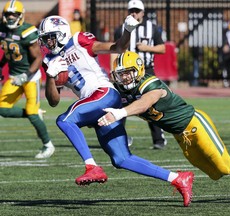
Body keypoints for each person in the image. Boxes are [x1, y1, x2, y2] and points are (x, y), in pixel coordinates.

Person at [38, 15, 194, 207]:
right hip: (93, 105)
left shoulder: (78, 41)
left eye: (51, 37)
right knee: (121, 159)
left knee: (65, 120)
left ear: (62, 34)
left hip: (104, 94)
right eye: (45, 39)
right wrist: (51, 77)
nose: (48, 42)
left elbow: (118, 48)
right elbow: (53, 101)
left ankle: (92, 166)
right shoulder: (50, 60)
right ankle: (178, 178)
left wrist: (127, 31)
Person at [98, 51, 230, 205]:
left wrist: (119, 113)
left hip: (194, 123)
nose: (123, 78)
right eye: (120, 74)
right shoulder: (123, 91)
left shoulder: (150, 84)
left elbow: (144, 104)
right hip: (181, 135)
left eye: (127, 73)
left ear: (138, 70)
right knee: (216, 172)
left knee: (225, 165)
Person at [0, 0, 54, 159]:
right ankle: (34, 113)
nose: (10, 17)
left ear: (20, 15)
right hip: (13, 76)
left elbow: (38, 59)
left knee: (30, 110)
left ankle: (48, 145)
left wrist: (25, 75)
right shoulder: (2, 30)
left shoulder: (27, 32)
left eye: (14, 14)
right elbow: (9, 52)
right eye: (8, 14)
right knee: (2, 108)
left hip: (30, 77)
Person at [111, 0, 167, 149]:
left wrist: (146, 47)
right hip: (125, 73)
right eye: (131, 10)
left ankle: (159, 140)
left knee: (152, 105)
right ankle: (119, 138)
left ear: (143, 12)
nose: (134, 13)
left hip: (146, 70)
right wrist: (113, 69)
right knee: (121, 103)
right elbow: (115, 50)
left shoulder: (152, 28)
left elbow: (162, 48)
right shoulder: (121, 29)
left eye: (137, 10)